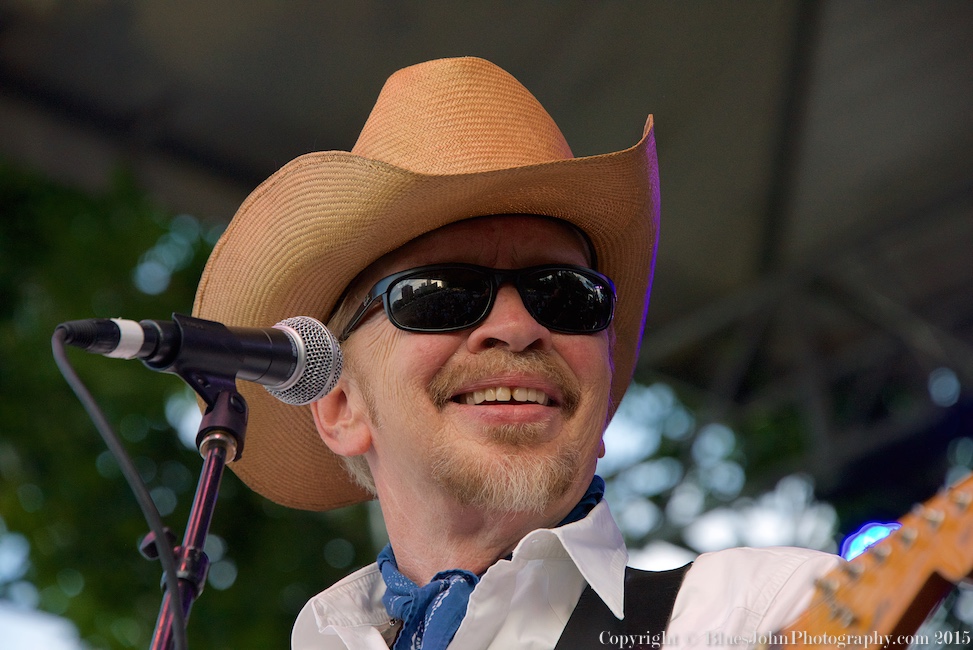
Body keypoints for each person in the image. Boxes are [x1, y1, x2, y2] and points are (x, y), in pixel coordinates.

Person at [193, 57, 839, 649]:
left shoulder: (764, 615)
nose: (516, 325)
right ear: (337, 404)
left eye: (564, 295)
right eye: (443, 294)